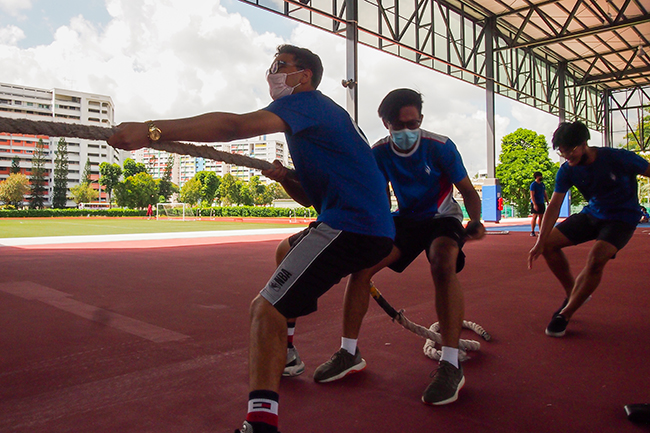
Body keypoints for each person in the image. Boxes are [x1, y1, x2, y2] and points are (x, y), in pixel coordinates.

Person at [107, 44, 395, 433]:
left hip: (353, 225)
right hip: (363, 224)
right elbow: (312, 200)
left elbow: (232, 127)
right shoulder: (320, 119)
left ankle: (260, 423)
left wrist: (151, 130)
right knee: (285, 250)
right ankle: (286, 352)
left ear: (305, 75)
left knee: (264, 309)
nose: (272, 72)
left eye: (280, 65)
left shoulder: (306, 104)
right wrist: (288, 178)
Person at [293, 88, 485, 405]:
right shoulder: (378, 153)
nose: (408, 130)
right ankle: (349, 353)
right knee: (361, 268)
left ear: (421, 119)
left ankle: (451, 364)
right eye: (400, 125)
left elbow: (468, 191)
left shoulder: (440, 147)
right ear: (386, 123)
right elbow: (377, 196)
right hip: (405, 220)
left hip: (441, 218)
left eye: (414, 123)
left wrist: (475, 221)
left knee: (442, 262)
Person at [528, 120, 650, 338]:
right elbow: (554, 205)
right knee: (547, 245)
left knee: (596, 259)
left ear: (584, 143)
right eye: (562, 152)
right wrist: (540, 241)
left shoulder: (618, 158)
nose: (567, 156)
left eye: (571, 150)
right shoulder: (567, 170)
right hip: (592, 214)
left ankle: (565, 314)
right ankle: (573, 293)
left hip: (622, 218)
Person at [529, 171, 548, 236]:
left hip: (541, 202)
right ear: (537, 177)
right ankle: (532, 231)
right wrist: (534, 204)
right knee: (535, 216)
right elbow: (532, 195)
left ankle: (540, 231)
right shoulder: (533, 185)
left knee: (541, 217)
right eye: (540, 176)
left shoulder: (542, 184)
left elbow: (545, 193)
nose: (541, 177)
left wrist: (547, 201)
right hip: (536, 202)